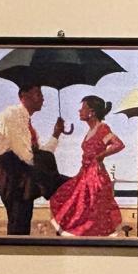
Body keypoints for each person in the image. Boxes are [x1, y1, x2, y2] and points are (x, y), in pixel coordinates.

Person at [0, 83, 66, 236]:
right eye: (38, 93)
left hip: (24, 177)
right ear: (24, 96)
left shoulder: (26, 121)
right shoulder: (11, 115)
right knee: (18, 222)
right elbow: (25, 154)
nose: (43, 98)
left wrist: (56, 134)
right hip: (13, 176)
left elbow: (35, 153)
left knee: (23, 220)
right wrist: (50, 177)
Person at [49, 95, 126, 237]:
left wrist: (101, 155)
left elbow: (119, 144)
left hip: (95, 176)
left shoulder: (102, 128)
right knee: (67, 199)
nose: (79, 111)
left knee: (91, 211)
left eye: (83, 108)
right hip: (85, 173)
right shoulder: (91, 130)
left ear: (92, 112)